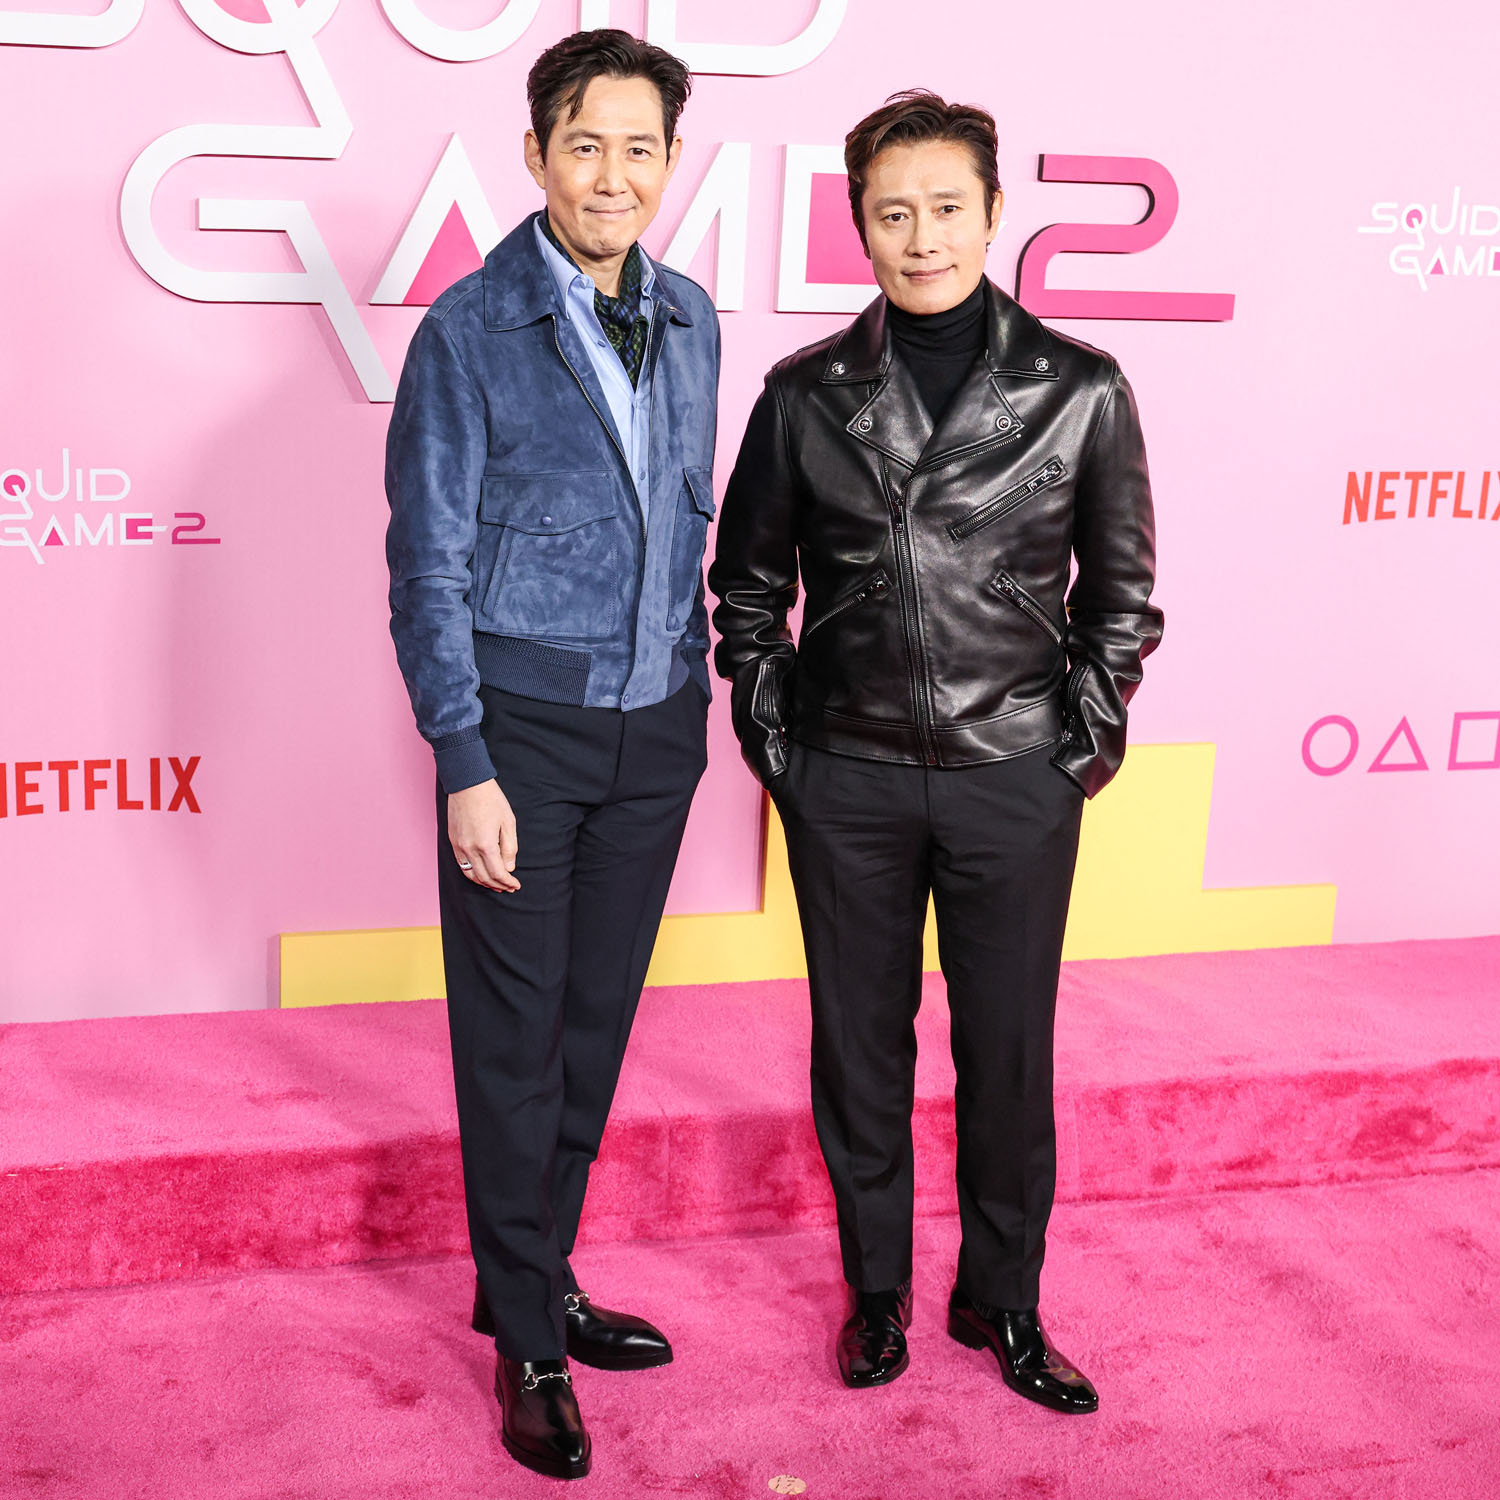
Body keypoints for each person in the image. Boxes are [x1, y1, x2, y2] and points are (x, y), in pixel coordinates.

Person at [708, 89, 1161, 1413]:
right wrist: (782, 742)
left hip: (1015, 772)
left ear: (994, 211)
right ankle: (878, 1293)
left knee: (1008, 1053)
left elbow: (1122, 597)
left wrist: (1076, 747)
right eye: (894, 213)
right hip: (844, 775)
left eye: (948, 208)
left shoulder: (1081, 389)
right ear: (859, 225)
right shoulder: (805, 394)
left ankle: (1003, 1301)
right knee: (859, 1050)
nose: (923, 238)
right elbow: (746, 592)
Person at [384, 28, 718, 1480]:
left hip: (658, 733)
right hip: (520, 738)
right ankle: (525, 1339)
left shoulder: (692, 316)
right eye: (585, 145)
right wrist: (464, 758)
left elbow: (692, 517)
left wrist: (699, 697)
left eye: (641, 148)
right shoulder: (467, 332)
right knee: (514, 1047)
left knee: (591, 1033)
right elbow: (427, 568)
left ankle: (540, 1275)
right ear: (535, 156)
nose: (613, 175)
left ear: (670, 163)